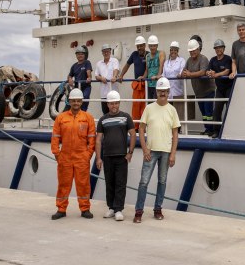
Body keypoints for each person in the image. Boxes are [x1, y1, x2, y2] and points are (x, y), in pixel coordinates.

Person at [133, 77, 180, 223]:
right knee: (144, 182)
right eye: (160, 91)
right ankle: (138, 211)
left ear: (168, 92)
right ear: (156, 92)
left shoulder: (172, 110)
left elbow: (175, 133)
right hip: (151, 151)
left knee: (162, 181)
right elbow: (141, 129)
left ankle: (157, 209)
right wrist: (145, 149)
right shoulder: (148, 108)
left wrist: (173, 153)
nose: (162, 93)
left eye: (165, 91)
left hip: (166, 152)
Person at [50, 88, 96, 220]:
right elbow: (55, 137)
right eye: (73, 101)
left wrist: (88, 155)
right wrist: (57, 154)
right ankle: (61, 209)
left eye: (78, 101)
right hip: (65, 157)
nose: (76, 103)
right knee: (63, 185)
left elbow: (92, 139)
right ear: (69, 101)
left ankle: (85, 209)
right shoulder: (61, 118)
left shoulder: (88, 118)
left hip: (82, 157)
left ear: (81, 102)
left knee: (83, 184)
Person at [95, 90, 135, 222]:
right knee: (109, 183)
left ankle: (119, 209)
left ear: (119, 103)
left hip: (122, 156)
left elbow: (133, 134)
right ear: (107, 104)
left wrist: (130, 153)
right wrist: (98, 158)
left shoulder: (126, 117)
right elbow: (98, 139)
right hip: (107, 156)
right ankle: (111, 208)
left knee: (120, 183)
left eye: (116, 103)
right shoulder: (103, 120)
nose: (114, 106)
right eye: (112, 104)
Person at [182, 39, 215, 136]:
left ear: (198, 49)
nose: (192, 52)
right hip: (199, 92)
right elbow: (184, 71)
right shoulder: (189, 60)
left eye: (194, 50)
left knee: (208, 112)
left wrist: (189, 74)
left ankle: (211, 130)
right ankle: (207, 129)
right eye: (190, 51)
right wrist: (182, 74)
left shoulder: (203, 59)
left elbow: (202, 72)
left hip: (208, 91)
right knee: (204, 113)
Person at [118, 36, 148, 130]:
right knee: (136, 106)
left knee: (144, 106)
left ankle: (143, 127)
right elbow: (127, 65)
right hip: (136, 85)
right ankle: (135, 127)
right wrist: (121, 75)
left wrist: (143, 77)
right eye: (137, 46)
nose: (139, 48)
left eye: (141, 46)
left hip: (145, 85)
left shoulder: (148, 54)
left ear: (144, 45)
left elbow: (149, 69)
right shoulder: (134, 54)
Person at [206, 39, 233, 136]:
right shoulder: (213, 60)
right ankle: (216, 131)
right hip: (219, 89)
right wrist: (209, 73)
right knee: (217, 109)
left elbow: (227, 71)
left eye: (220, 48)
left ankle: (230, 131)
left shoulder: (228, 59)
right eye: (216, 48)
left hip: (229, 88)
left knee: (230, 109)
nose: (218, 50)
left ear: (224, 48)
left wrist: (216, 74)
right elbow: (207, 71)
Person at [162, 41, 186, 121]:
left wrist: (180, 74)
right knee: (168, 113)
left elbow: (182, 71)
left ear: (177, 51)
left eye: (175, 50)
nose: (173, 51)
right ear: (170, 51)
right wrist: (157, 77)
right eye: (171, 50)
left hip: (177, 91)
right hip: (168, 92)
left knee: (177, 113)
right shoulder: (166, 62)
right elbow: (163, 74)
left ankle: (178, 130)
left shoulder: (181, 60)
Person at [95, 44, 120, 115]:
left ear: (110, 52)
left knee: (115, 111)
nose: (106, 53)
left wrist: (114, 77)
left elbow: (116, 69)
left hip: (114, 92)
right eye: (104, 52)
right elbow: (96, 75)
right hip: (104, 94)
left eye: (107, 51)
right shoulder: (99, 63)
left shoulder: (114, 60)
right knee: (105, 112)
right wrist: (101, 78)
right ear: (102, 53)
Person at [67, 45, 92, 110]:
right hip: (77, 87)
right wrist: (70, 79)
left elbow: (88, 71)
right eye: (78, 54)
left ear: (84, 55)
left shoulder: (87, 62)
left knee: (85, 97)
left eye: (82, 54)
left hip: (86, 86)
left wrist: (89, 77)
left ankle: (83, 113)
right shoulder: (74, 66)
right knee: (76, 100)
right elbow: (70, 75)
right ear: (76, 55)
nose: (80, 56)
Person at [146, 35, 165, 101]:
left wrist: (158, 76)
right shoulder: (147, 56)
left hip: (158, 84)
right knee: (149, 104)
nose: (152, 47)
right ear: (148, 46)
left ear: (157, 45)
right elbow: (147, 69)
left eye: (154, 45)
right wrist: (143, 77)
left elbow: (161, 65)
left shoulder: (161, 53)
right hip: (149, 84)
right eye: (151, 46)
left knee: (157, 103)